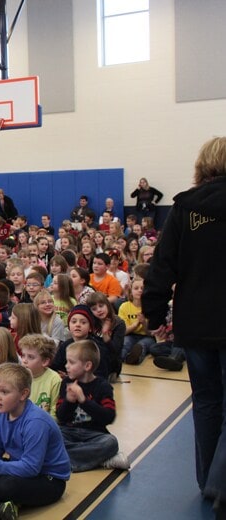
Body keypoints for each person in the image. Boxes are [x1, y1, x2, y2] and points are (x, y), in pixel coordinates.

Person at [142, 136, 226, 515]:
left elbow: (162, 267)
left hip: (195, 324)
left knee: (206, 403)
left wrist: (155, 315)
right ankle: (220, 484)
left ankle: (208, 481)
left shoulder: (185, 208)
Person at [0, 363, 70, 519]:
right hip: (21, 468)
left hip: (49, 479)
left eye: (4, 392)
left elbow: (31, 467)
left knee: (4, 487)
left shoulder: (36, 422)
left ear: (23, 394)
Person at [56, 340, 129, 472]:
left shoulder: (103, 386)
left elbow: (109, 417)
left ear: (87, 366)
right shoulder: (66, 382)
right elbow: (61, 417)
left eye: (71, 362)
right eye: (67, 362)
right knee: (50, 435)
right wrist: (69, 401)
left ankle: (66, 460)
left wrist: (83, 401)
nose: (66, 366)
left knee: (111, 442)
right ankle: (100, 459)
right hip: (68, 431)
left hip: (94, 434)